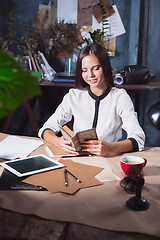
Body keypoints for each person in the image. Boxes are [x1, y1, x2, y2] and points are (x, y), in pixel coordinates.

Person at [38, 43, 145, 156]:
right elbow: (46, 129)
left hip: (109, 159)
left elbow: (138, 137)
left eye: (96, 68)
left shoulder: (120, 97)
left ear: (106, 68)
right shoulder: (73, 96)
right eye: (84, 70)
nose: (90, 75)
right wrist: (58, 142)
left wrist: (111, 148)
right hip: (77, 158)